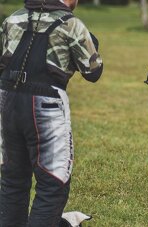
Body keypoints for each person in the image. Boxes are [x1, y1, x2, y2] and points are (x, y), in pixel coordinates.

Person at [0, 0, 103, 226]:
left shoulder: (12, 19)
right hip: (46, 104)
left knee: (13, 180)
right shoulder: (72, 24)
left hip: (7, 100)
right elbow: (93, 71)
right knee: (52, 185)